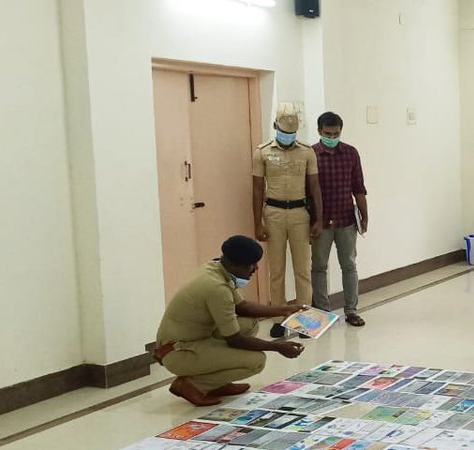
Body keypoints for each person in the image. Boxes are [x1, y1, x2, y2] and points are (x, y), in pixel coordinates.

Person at [154, 235, 308, 406]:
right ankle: (191, 385)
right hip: (179, 352)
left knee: (249, 323)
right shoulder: (216, 288)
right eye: (251, 265)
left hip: (191, 340)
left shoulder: (215, 269)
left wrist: (284, 309)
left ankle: (216, 382)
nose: (255, 268)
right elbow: (235, 339)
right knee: (256, 361)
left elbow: (242, 307)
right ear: (234, 265)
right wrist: (278, 347)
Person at [252, 102, 324, 338]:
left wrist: (318, 219)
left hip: (299, 214)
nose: (288, 136)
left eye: (292, 133)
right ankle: (278, 318)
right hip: (272, 213)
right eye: (284, 132)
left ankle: (304, 320)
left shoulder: (306, 151)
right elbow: (256, 189)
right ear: (275, 126)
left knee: (303, 270)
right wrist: (257, 222)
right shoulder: (262, 152)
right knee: (277, 271)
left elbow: (314, 187)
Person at [310, 111, 368, 327]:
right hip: (320, 222)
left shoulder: (351, 153)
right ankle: (322, 313)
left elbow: (358, 187)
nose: (332, 137)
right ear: (319, 131)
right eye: (327, 133)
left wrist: (364, 214)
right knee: (318, 267)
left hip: (346, 219)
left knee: (349, 265)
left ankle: (351, 311)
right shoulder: (311, 154)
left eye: (336, 133)